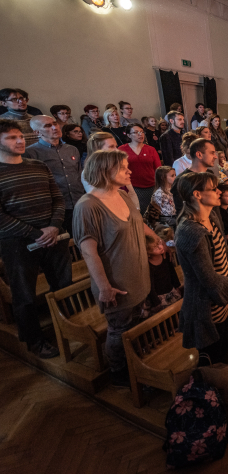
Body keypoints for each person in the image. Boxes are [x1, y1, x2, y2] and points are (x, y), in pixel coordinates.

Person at [74, 150, 154, 386]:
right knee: (119, 331)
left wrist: (156, 240)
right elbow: (89, 252)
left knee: (138, 325)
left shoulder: (124, 195)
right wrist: (105, 288)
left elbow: (138, 225)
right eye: (122, 168)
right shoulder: (87, 206)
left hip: (137, 274)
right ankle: (119, 373)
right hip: (115, 283)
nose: (129, 171)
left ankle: (138, 365)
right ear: (103, 172)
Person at [174, 172, 228, 413]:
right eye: (213, 189)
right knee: (212, 358)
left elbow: (225, 252)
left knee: (222, 350)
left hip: (224, 298)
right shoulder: (190, 230)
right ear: (197, 195)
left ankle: (222, 399)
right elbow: (206, 277)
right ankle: (214, 406)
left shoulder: (211, 215)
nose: (219, 192)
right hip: (207, 306)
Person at [0, 119, 71, 358]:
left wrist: (53, 226)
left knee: (63, 286)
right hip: (18, 242)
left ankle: (68, 328)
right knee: (25, 295)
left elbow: (58, 199)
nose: (20, 140)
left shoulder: (38, 165)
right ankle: (34, 340)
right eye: (11, 137)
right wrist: (35, 234)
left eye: (20, 136)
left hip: (52, 235)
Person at [25, 115, 86, 234]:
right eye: (48, 126)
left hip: (78, 202)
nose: (54, 127)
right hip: (55, 207)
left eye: (55, 123)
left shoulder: (71, 149)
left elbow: (78, 174)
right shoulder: (31, 153)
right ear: (37, 132)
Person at [81, 132, 140, 209]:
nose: (117, 150)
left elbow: (131, 193)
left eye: (116, 146)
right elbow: (99, 199)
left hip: (127, 209)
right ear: (98, 150)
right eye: (111, 147)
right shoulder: (88, 172)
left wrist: (136, 210)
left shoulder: (118, 166)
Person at [118, 124, 161, 213]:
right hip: (132, 187)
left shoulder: (151, 149)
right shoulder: (122, 149)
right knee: (136, 212)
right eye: (136, 132)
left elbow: (158, 169)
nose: (140, 134)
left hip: (151, 186)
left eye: (141, 132)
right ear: (129, 135)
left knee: (152, 212)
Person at [171, 138, 217, 214]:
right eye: (212, 153)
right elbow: (182, 211)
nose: (215, 157)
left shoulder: (210, 174)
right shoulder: (182, 180)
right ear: (199, 155)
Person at [142, 234, 182, 317]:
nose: (160, 247)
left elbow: (172, 272)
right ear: (148, 253)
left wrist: (177, 286)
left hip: (171, 290)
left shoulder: (165, 256)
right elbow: (150, 286)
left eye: (159, 244)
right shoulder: (149, 266)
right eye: (155, 248)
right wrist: (156, 302)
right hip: (159, 297)